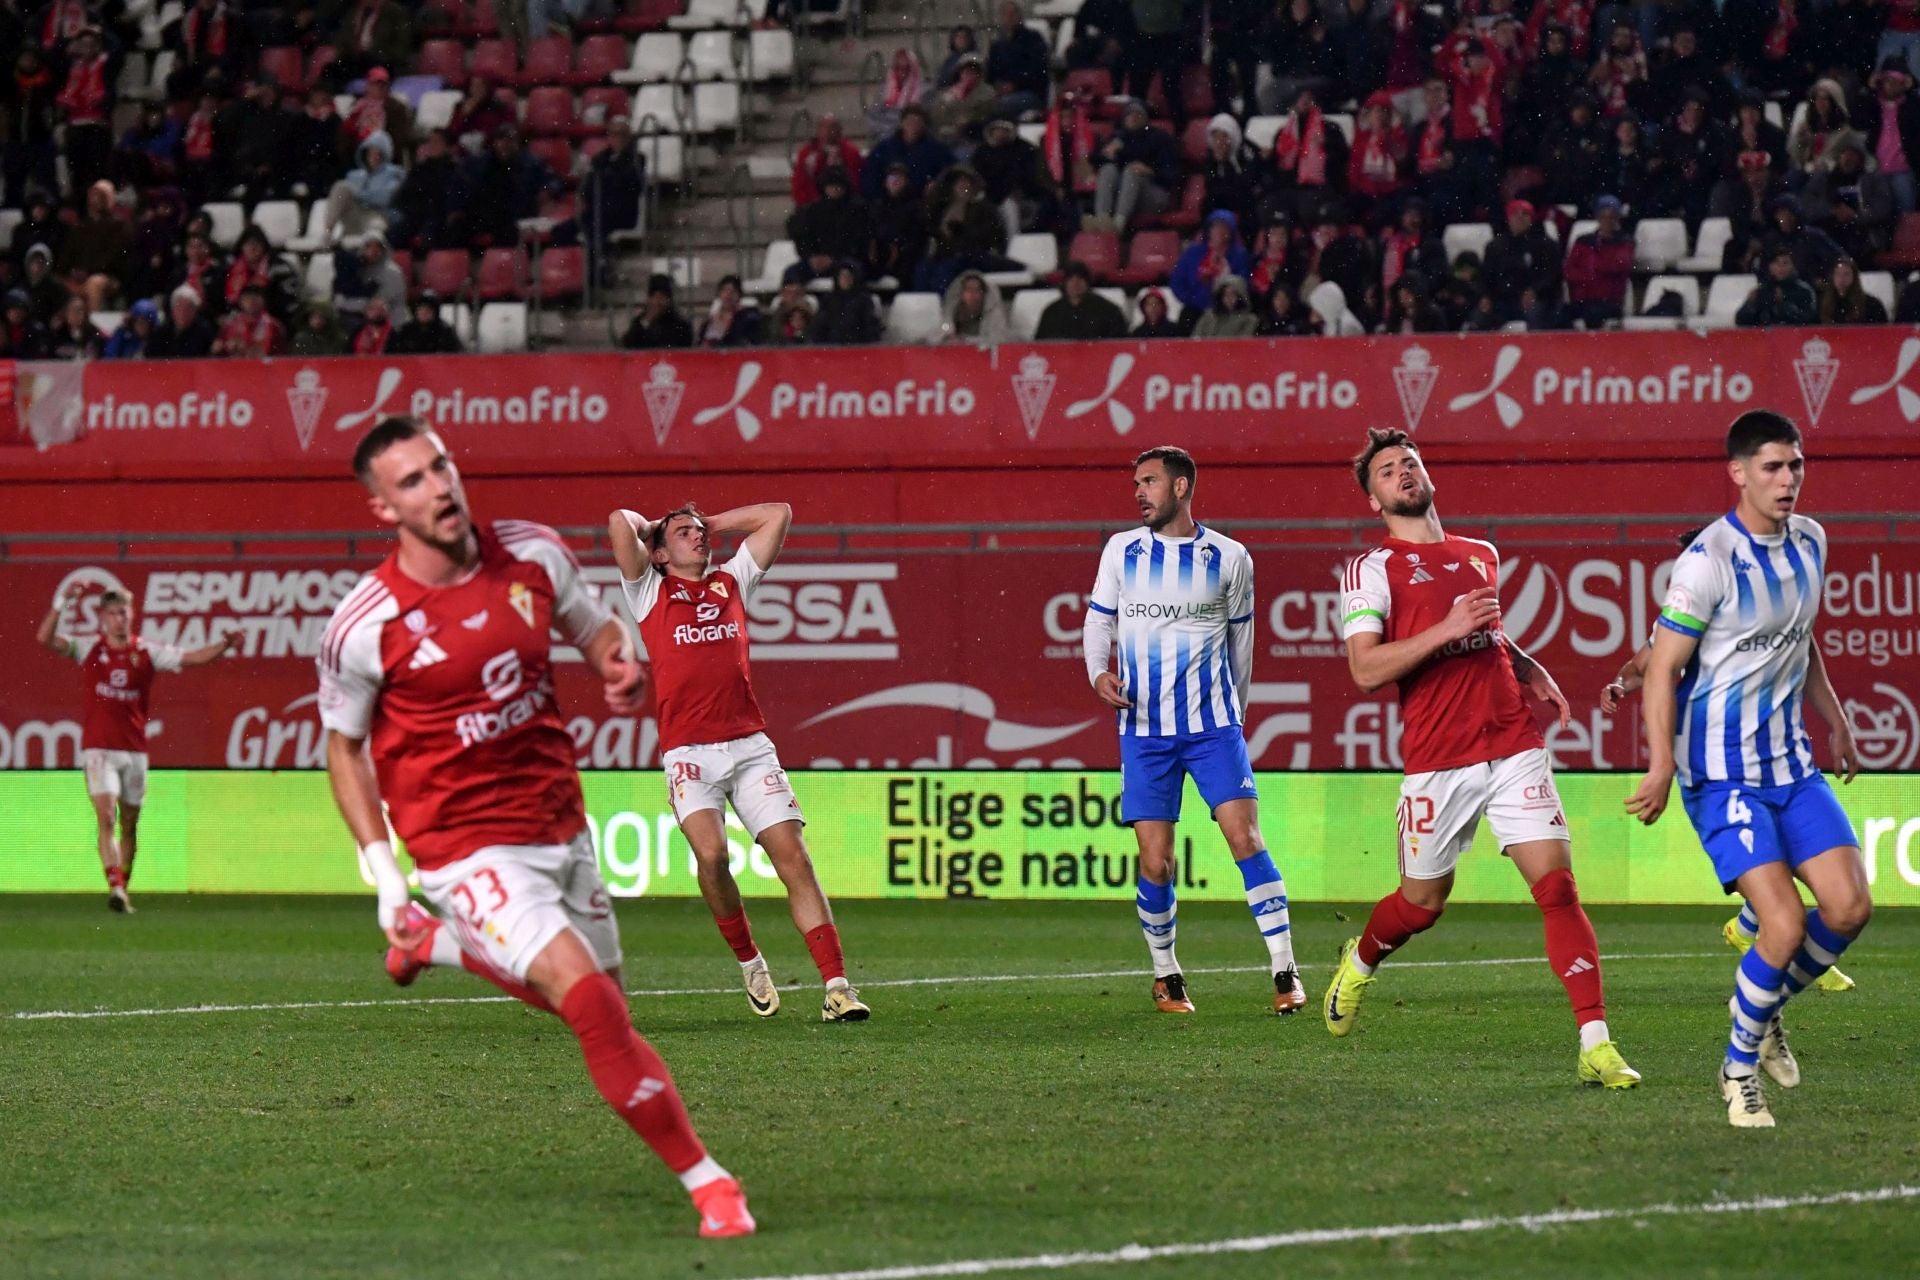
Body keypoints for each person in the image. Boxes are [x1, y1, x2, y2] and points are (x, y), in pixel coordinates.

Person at [319, 418, 754, 1236]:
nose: (438, 486)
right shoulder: (363, 623)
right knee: (588, 1001)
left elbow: (598, 633)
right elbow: (343, 751)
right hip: (459, 844)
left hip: (559, 822)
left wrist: (618, 670)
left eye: (440, 466)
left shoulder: (533, 553)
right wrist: (385, 874)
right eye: (411, 481)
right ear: (383, 508)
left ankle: (438, 945)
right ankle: (710, 1182)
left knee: (607, 1011)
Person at [1321, 428, 1640, 1089]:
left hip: (1513, 743)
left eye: (1409, 463)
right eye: (1386, 471)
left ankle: (1595, 1043)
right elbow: (1364, 669)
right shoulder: (1370, 568)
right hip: (1439, 760)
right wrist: (1448, 628)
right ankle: (1361, 961)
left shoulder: (1479, 553)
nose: (1403, 473)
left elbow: (1487, 632)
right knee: (1422, 904)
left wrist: (1526, 667)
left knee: (1557, 890)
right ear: (1375, 499)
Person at [1623, 411, 1870, 1127]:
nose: (1788, 479)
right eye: (1772, 467)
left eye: (1795, 466)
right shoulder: (1707, 561)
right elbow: (1663, 669)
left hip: (1792, 766)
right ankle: (1737, 1070)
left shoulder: (1813, 541)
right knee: (1784, 925)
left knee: (1850, 909)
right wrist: (1662, 763)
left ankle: (1760, 1011)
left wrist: (1837, 718)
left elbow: (1802, 641)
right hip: (1722, 774)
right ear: (1738, 473)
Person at [608, 504, 871, 1024]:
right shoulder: (648, 590)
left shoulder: (732, 581)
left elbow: (780, 514)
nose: (697, 537)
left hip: (750, 747)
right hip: (689, 754)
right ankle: (751, 963)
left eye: (698, 532)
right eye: (683, 535)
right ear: (658, 554)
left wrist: (708, 523)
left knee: (794, 859)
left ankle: (838, 987)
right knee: (713, 857)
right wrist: (658, 526)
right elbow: (620, 521)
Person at [1080, 447, 1306, 1016]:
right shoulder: (1121, 550)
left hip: (1212, 728)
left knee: (1246, 840)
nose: (1139, 492)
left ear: (1181, 488)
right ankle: (1167, 975)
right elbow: (1098, 620)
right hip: (1144, 728)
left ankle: (1285, 969)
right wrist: (1098, 672)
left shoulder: (1229, 558)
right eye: (1136, 482)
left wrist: (1236, 716)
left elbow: (1242, 648)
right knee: (1156, 861)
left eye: (1150, 481)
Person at [1601, 525, 1857, 998]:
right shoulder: (1685, 619)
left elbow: (1807, 650)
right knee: (1777, 878)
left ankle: (1756, 935)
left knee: (1825, 887)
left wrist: (1836, 720)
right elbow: (1646, 664)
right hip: (1718, 768)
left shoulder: (1768, 609)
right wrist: (1621, 685)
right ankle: (1768, 950)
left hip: (1780, 763)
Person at [36, 583, 235, 912]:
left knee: (130, 823)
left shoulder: (146, 651)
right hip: (99, 749)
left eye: (124, 612)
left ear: (132, 615)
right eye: (113, 613)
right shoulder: (89, 649)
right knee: (106, 817)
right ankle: (114, 886)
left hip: (134, 752)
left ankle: (121, 891)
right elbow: (45, 639)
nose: (119, 619)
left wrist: (225, 644)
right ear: (102, 618)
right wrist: (62, 601)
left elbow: (194, 658)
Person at [1090, 98, 1180, 234]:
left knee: (1133, 171)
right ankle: (1102, 220)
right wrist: (1105, 154)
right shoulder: (1118, 137)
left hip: (1154, 195)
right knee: (1108, 169)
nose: (1133, 117)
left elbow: (1171, 174)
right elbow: (1093, 159)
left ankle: (1117, 227)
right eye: (1129, 114)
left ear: (1145, 118)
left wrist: (1149, 171)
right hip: (1122, 196)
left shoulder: (1160, 138)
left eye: (1138, 114)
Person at [1561, 194, 1632, 328]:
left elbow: (1617, 266)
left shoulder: (1625, 242)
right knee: (1560, 315)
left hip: (1608, 301)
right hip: (1583, 300)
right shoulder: (1583, 241)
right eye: (1603, 216)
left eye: (1611, 217)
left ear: (1617, 219)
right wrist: (1589, 276)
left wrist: (1589, 273)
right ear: (1597, 217)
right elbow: (1569, 270)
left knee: (1593, 315)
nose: (1607, 221)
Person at [326, 129, 406, 242]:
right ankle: (327, 233)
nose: (374, 156)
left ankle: (370, 252)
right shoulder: (354, 175)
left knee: (377, 225)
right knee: (341, 187)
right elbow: (345, 195)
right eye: (371, 152)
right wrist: (358, 195)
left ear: (385, 155)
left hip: (376, 214)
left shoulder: (394, 174)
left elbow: (385, 198)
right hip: (354, 215)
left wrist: (358, 194)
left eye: (378, 153)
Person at [1864, 57, 1920, 215]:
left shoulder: (1911, 105)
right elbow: (1857, 120)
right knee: (1876, 216)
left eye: (1897, 81)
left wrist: (1911, 89)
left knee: (1906, 215)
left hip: (1904, 170)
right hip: (1877, 170)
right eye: (1887, 80)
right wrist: (1870, 90)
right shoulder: (1874, 104)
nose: (1891, 84)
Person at [984, 1, 1051, 118]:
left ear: (1019, 16)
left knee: (998, 106)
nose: (1009, 18)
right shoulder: (997, 44)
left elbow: (1038, 70)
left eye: (1012, 14)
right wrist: (998, 85)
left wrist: (1015, 84)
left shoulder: (1033, 39)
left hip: (1030, 93)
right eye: (1005, 14)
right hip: (1002, 93)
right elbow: (990, 73)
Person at [1035, 261, 1128, 339]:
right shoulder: (1051, 312)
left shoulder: (1108, 310)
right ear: (1064, 283)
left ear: (1088, 282)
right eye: (1071, 279)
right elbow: (1041, 344)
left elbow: (1119, 342)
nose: (1075, 283)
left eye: (1080, 278)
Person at [1735, 246, 1817, 328]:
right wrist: (1750, 304)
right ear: (1770, 267)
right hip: (1765, 339)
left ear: (1792, 266)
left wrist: (1783, 304)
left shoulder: (1804, 291)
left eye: (1785, 263)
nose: (1781, 267)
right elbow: (1741, 322)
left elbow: (1809, 321)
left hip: (1795, 338)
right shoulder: (1762, 290)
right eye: (1776, 263)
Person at [792, 113, 863, 207]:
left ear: (840, 130)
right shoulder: (806, 154)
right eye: (824, 127)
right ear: (818, 130)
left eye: (832, 127)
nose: (828, 131)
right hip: (813, 206)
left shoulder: (851, 152)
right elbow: (800, 185)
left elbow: (855, 182)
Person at [808, 261, 882, 344]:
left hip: (857, 346)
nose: (845, 279)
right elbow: (820, 324)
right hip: (831, 347)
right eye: (842, 276)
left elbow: (868, 325)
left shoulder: (863, 300)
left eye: (849, 276)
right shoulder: (829, 299)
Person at [213, 282, 288, 356]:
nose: (251, 301)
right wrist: (224, 347)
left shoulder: (273, 325)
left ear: (263, 301)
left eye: (255, 297)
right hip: (236, 366)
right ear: (240, 301)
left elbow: (281, 355)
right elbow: (217, 350)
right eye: (247, 297)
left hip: (264, 366)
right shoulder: (230, 324)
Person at [622, 273, 695, 348]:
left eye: (662, 297)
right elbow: (628, 344)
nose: (658, 302)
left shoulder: (680, 325)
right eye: (655, 297)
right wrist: (647, 320)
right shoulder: (640, 322)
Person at [148, 285, 218, 358]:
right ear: (172, 310)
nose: (183, 313)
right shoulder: (160, 334)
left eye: (188, 308)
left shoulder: (205, 334)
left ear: (195, 311)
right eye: (179, 307)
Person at [698, 275, 763, 347]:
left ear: (739, 295)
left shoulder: (747, 320)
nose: (728, 295)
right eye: (725, 290)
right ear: (719, 294)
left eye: (733, 291)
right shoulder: (708, 322)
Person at [390, 291, 465, 353]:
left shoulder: (445, 331)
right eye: (421, 310)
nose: (424, 313)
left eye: (428, 310)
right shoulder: (405, 331)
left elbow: (456, 355)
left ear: (435, 313)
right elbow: (392, 355)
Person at [1190, 273, 1257, 337]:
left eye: (1233, 294)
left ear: (1241, 296)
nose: (1229, 298)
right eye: (1225, 294)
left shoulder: (1249, 320)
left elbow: (1244, 344)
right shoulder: (1208, 317)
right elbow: (1196, 340)